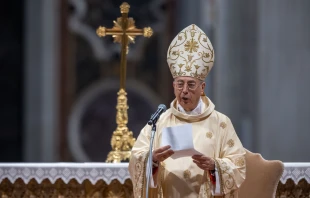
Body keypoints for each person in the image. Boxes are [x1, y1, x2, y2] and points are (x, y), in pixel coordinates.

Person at [128, 24, 246, 198]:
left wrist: (214, 166)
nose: (184, 90)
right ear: (173, 86)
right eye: (179, 84)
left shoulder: (220, 122)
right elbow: (136, 157)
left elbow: (238, 164)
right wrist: (152, 159)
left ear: (202, 87)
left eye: (191, 84)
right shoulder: (159, 121)